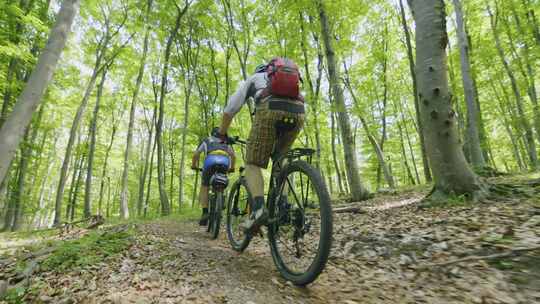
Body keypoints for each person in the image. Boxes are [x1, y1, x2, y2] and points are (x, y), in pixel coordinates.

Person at [216, 57, 305, 231]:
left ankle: (258, 210)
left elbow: (230, 108)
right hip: (298, 113)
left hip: (269, 109)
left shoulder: (254, 78)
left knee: (252, 162)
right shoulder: (289, 81)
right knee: (281, 158)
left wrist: (222, 133)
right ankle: (284, 204)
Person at [191, 127, 236, 226]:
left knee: (205, 186)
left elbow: (196, 154)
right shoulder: (225, 141)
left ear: (212, 134)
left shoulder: (207, 140)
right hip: (224, 161)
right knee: (222, 181)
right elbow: (233, 156)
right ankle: (221, 203)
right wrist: (232, 168)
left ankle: (205, 212)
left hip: (210, 160)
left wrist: (194, 166)